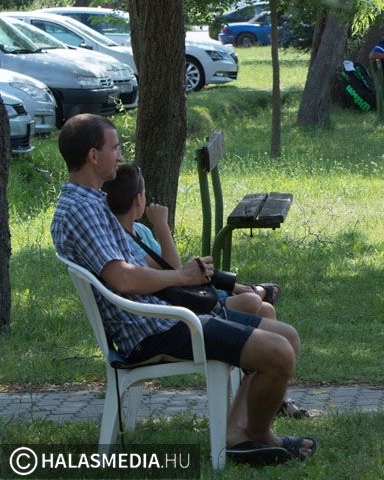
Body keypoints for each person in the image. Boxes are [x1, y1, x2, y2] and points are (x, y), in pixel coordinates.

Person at [51, 114, 316, 466]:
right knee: (279, 352)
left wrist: (184, 273)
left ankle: (240, 435)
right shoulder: (81, 210)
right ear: (93, 155)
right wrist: (182, 278)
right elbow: (122, 279)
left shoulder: (92, 203)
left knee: (288, 338)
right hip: (153, 330)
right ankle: (257, 436)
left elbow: (134, 267)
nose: (120, 155)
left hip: (165, 318)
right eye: (114, 147)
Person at [102, 163, 309, 420]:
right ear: (138, 199)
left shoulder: (137, 233)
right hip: (177, 318)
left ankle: (269, 400)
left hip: (179, 312)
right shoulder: (124, 241)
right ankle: (251, 418)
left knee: (266, 313)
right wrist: (162, 226)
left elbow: (171, 271)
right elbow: (173, 269)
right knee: (255, 307)